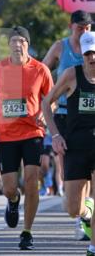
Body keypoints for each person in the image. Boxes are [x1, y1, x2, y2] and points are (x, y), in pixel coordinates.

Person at [0, 26, 53, 251]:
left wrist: (45, 112)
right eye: (13, 41)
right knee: (9, 188)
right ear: (8, 45)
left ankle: (27, 231)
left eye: (21, 41)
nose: (17, 45)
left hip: (33, 132)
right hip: (6, 135)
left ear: (27, 44)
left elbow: (50, 98)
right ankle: (13, 202)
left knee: (32, 180)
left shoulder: (41, 70)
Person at [42, 30, 95, 256]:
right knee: (72, 207)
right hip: (75, 145)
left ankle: (92, 250)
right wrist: (54, 134)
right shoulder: (71, 75)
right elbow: (46, 103)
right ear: (82, 56)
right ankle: (87, 212)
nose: (92, 58)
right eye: (88, 54)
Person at [42, 10, 92, 197]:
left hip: (89, 115)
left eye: (88, 28)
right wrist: (49, 97)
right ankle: (73, 198)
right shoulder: (60, 47)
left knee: (88, 167)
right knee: (66, 162)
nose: (84, 32)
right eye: (80, 28)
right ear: (71, 26)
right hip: (64, 112)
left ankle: (85, 207)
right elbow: (42, 72)